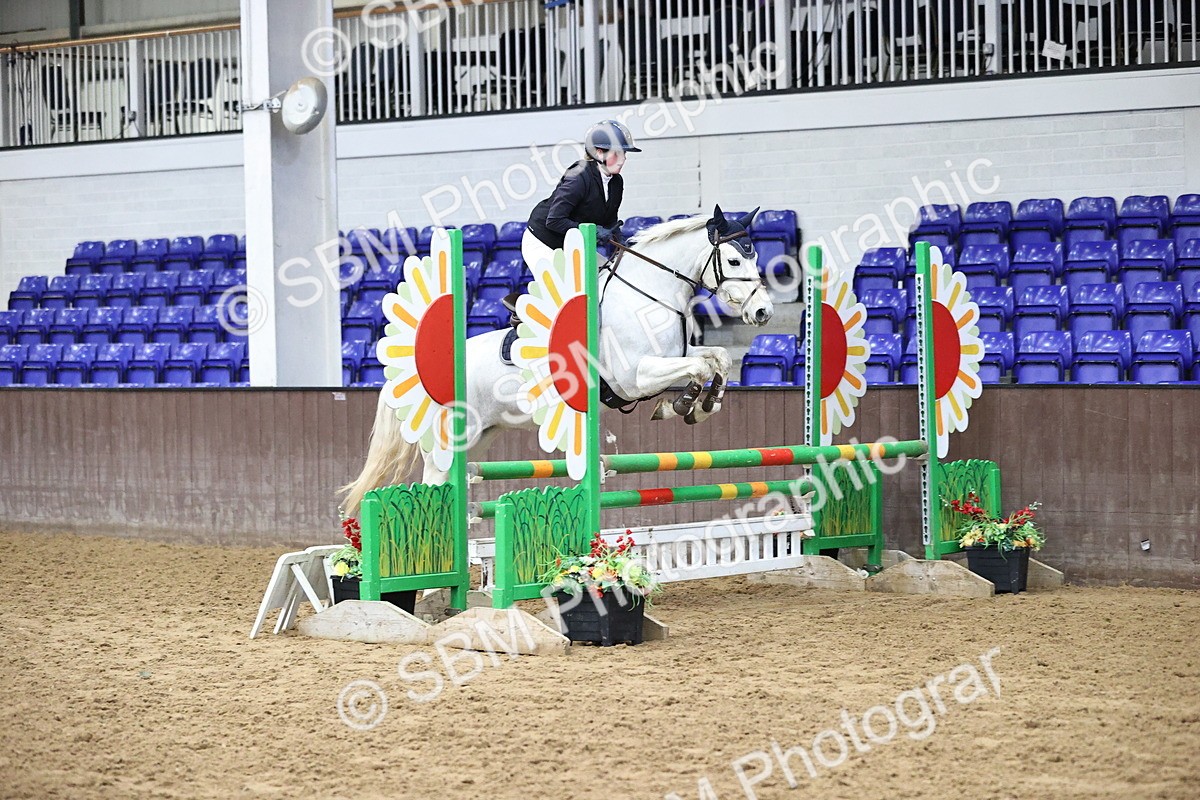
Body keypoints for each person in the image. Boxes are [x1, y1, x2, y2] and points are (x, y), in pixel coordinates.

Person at [521, 119, 641, 274]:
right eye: (617, 154)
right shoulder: (579, 176)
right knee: (567, 284)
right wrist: (593, 231)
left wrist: (623, 246)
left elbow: (611, 222)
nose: (623, 159)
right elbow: (554, 221)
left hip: (572, 244)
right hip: (543, 241)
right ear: (599, 152)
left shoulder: (616, 182)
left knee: (610, 274)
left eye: (624, 154)